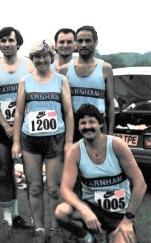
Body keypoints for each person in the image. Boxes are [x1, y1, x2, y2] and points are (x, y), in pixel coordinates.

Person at [55, 104, 147, 243]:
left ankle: (114, 234)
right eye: (83, 123)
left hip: (118, 214)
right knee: (61, 211)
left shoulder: (117, 145)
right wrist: (84, 210)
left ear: (100, 123)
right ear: (78, 127)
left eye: (91, 122)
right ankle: (88, 238)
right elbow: (65, 189)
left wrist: (128, 219)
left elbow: (140, 184)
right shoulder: (75, 151)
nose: (87, 126)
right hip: (92, 211)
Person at [11, 39, 74, 243]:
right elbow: (19, 112)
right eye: (36, 57)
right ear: (33, 59)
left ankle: (55, 229)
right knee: (35, 187)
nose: (40, 60)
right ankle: (39, 229)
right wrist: (16, 143)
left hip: (55, 139)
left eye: (44, 56)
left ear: (50, 57)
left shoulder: (60, 80)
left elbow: (68, 113)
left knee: (54, 188)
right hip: (31, 140)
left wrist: (68, 142)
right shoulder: (25, 81)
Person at [0, 26, 35, 240]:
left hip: (27, 127)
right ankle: (7, 218)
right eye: (2, 41)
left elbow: (35, 93)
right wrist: (5, 125)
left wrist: (20, 125)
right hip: (1, 127)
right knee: (4, 170)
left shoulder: (29, 64)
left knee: (31, 174)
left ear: (18, 42)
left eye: (10, 40)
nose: (5, 44)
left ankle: (31, 218)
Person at [58, 25, 114, 142]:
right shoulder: (64, 70)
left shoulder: (105, 68)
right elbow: (60, 104)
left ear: (96, 42)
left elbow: (109, 103)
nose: (83, 44)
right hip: (73, 128)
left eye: (88, 40)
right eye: (80, 41)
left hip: (98, 127)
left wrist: (110, 133)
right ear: (75, 43)